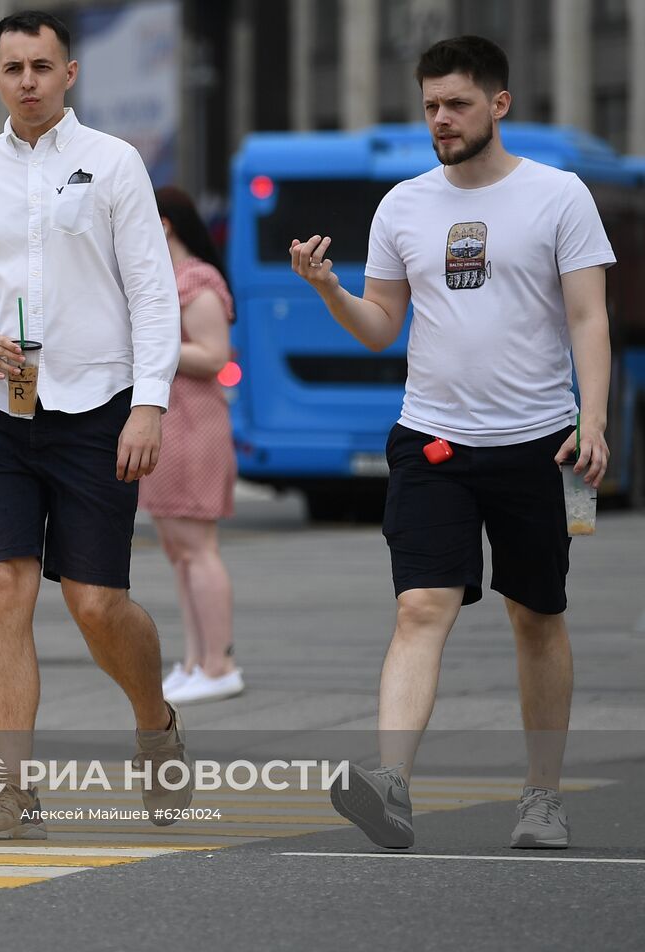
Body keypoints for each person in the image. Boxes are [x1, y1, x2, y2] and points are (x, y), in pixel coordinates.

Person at [291, 36, 614, 850]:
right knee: (419, 606)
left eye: (457, 103)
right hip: (432, 439)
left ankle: (542, 798)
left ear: (498, 104)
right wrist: (330, 288)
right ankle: (390, 783)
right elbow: (380, 328)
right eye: (431, 104)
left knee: (536, 617)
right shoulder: (403, 205)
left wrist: (594, 420)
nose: (441, 118)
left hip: (540, 444)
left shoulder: (559, 195)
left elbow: (589, 318)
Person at [0, 10, 188, 841]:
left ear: (70, 74)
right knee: (4, 589)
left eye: (43, 65)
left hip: (98, 409)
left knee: (98, 603)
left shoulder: (113, 165)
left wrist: (150, 402)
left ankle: (155, 723)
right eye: (14, 67)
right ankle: (14, 791)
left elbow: (152, 290)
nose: (29, 80)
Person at [139, 187, 242, 705]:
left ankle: (218, 663)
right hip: (168, 420)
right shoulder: (163, 280)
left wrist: (148, 346)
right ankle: (195, 660)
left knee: (197, 549)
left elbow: (214, 354)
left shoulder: (196, 279)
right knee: (179, 551)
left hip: (192, 421)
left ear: (164, 224)